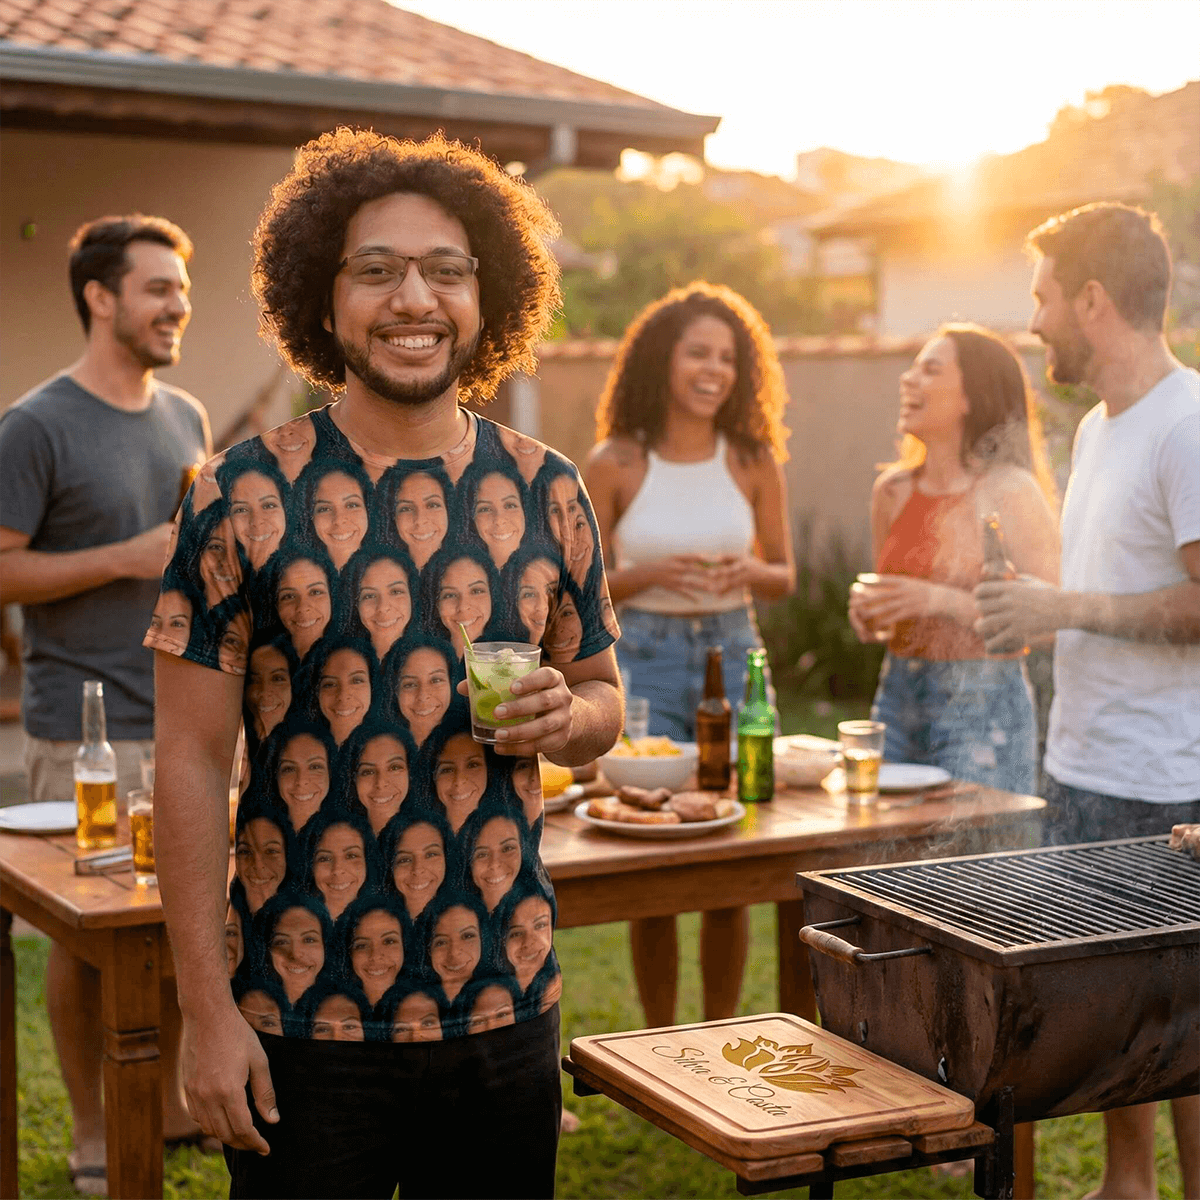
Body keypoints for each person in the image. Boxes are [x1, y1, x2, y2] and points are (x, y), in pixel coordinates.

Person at [146, 129, 622, 1200]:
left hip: (505, 1000)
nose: (415, 298)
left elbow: (602, 700)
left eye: (447, 270)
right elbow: (186, 758)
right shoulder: (237, 494)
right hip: (300, 1017)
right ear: (322, 303)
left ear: (487, 298)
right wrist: (206, 1012)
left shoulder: (549, 488)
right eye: (376, 270)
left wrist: (570, 718)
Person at [976, 202, 1199, 1200]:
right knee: (1116, 1004)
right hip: (1084, 761)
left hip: (1166, 777)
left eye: (1044, 297)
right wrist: (1043, 612)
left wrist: (1065, 606)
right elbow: (1114, 590)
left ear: (1095, 300)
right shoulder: (1105, 427)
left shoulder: (1187, 425)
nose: (1034, 321)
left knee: (1186, 1019)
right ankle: (1127, 1184)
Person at [0, 213, 212, 1194]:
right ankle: (92, 1130)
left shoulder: (187, 417)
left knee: (173, 922)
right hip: (81, 732)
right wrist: (125, 558)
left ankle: (164, 1108)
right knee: (86, 937)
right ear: (100, 296)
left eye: (182, 289)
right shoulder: (34, 426)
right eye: (158, 288)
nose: (179, 306)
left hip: (183, 722)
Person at [584, 281, 795, 1028]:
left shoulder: (752, 459)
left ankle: (721, 1032)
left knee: (730, 852)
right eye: (698, 353)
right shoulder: (616, 461)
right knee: (657, 859)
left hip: (732, 654)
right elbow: (579, 586)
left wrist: (748, 571)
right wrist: (648, 574)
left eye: (728, 358)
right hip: (642, 659)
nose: (715, 370)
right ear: (662, 361)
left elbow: (784, 575)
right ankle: (661, 1039)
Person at [847, 324, 1060, 795]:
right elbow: (895, 604)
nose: (908, 380)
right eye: (912, 368)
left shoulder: (1010, 491)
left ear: (970, 396)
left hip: (983, 704)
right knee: (884, 839)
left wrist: (936, 600)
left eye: (930, 370)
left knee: (975, 843)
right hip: (898, 694)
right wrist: (871, 613)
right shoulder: (892, 492)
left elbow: (1051, 624)